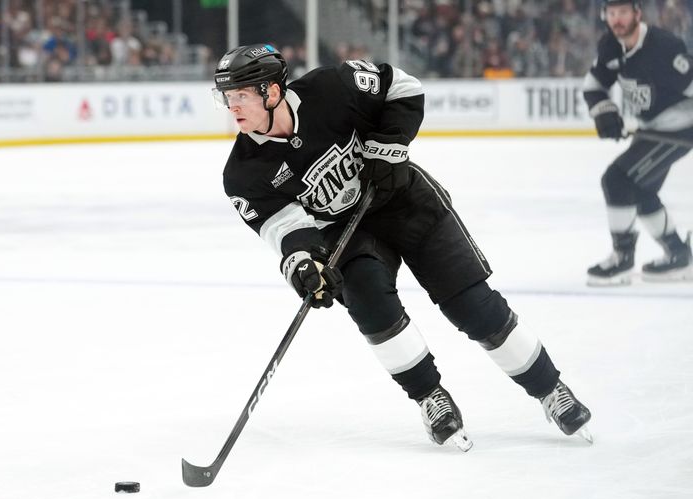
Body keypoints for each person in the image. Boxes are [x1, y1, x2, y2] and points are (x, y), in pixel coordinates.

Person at [213, 43, 592, 450]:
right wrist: (306, 265)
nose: (232, 107)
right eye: (226, 97)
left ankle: (550, 389)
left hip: (406, 202)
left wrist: (389, 147)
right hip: (347, 234)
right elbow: (285, 229)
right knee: (372, 306)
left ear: (271, 92)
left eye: (241, 96)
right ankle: (431, 397)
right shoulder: (243, 174)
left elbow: (403, 87)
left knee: (472, 305)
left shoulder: (332, 88)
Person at [584, 0, 693, 285]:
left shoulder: (663, 47)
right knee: (640, 190)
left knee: (617, 179)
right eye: (612, 13)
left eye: (623, 12)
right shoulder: (610, 45)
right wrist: (605, 112)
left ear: (637, 14)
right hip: (652, 129)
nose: (617, 19)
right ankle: (679, 255)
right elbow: (594, 87)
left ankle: (622, 259)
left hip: (681, 129)